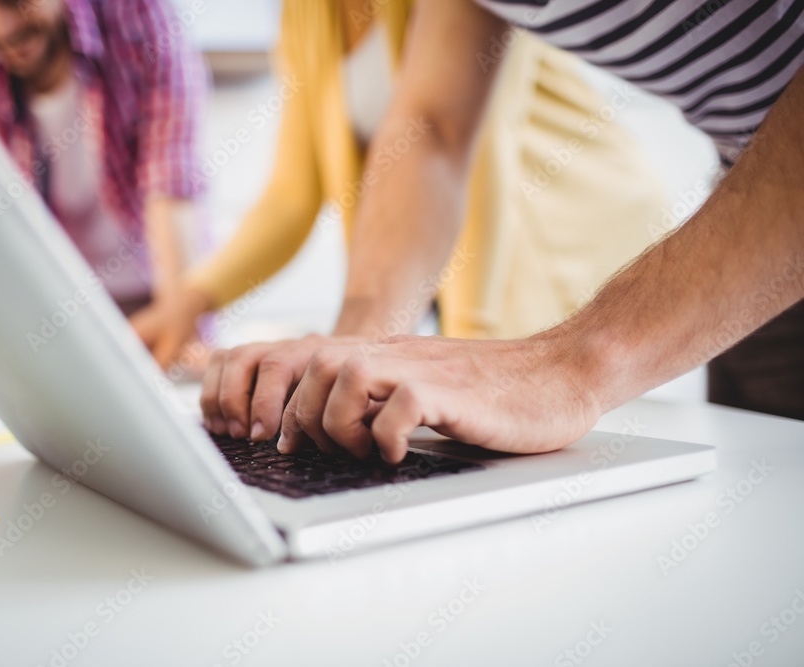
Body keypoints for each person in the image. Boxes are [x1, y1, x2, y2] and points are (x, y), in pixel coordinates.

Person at [201, 0, 804, 462]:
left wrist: (566, 364)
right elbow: (433, 130)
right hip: (751, 221)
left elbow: (487, 172)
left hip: (636, 265)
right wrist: (356, 345)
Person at [133, 0, 666, 375]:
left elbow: (471, 158)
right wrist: (188, 303)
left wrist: (465, 347)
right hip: (465, 274)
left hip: (575, 257)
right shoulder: (306, 11)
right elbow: (291, 197)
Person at [0, 0, 207, 318]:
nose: (3, 28)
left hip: (158, 285)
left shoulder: (138, 18)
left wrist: (178, 314)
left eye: (17, 1)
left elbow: (171, 174)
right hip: (68, 306)